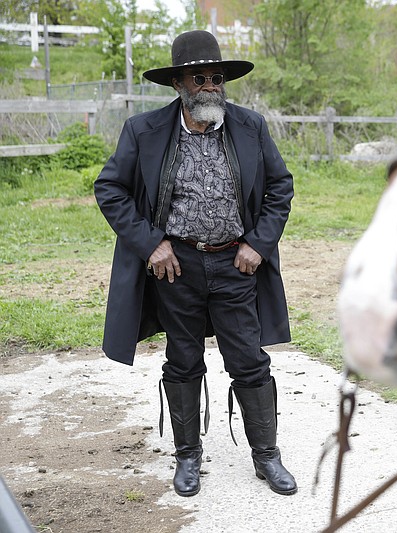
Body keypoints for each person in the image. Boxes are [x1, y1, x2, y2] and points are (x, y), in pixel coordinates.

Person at [94, 30, 297, 497]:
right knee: (182, 360)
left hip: (236, 264)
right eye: (199, 77)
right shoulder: (143, 131)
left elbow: (279, 189)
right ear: (179, 84)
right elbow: (110, 189)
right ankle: (188, 457)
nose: (210, 85)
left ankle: (266, 456)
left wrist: (258, 245)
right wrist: (152, 244)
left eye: (217, 77)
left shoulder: (250, 126)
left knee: (248, 360)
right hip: (176, 267)